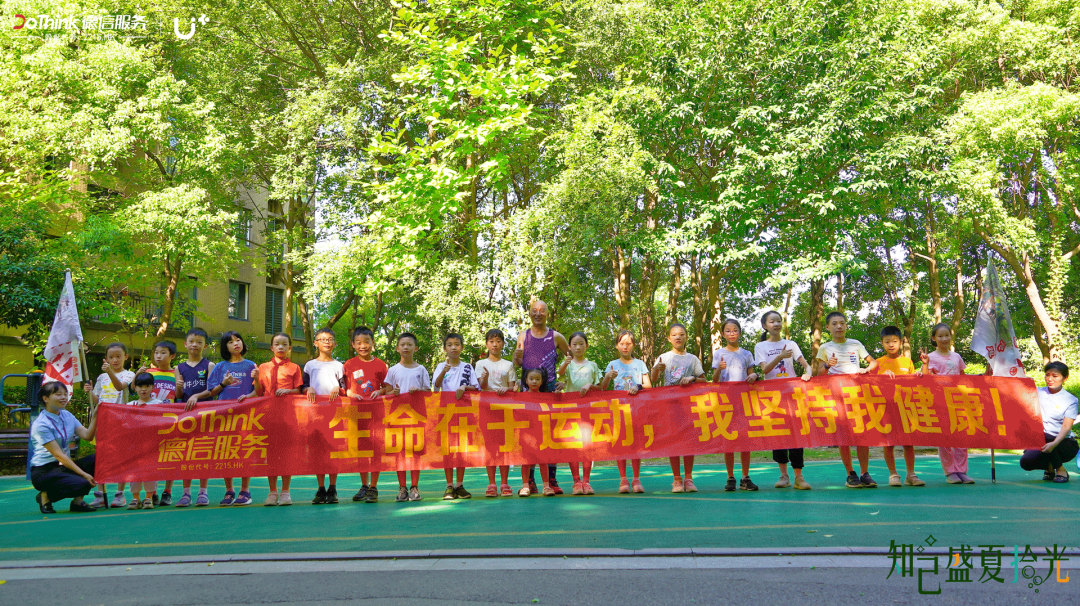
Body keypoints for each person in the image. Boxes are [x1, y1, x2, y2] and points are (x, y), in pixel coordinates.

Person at [815, 311, 879, 488]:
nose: (839, 327)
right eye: (834, 324)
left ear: (846, 325)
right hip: (836, 396)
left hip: (856, 394)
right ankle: (850, 473)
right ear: (827, 327)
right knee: (843, 436)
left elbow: (873, 362)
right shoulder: (825, 347)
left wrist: (866, 369)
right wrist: (827, 365)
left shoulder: (855, 344)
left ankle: (865, 473)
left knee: (862, 434)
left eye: (842, 323)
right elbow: (819, 374)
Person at [513, 299, 570, 494]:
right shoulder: (523, 335)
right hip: (528, 395)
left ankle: (551, 480)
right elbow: (517, 363)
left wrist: (565, 380)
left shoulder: (556, 336)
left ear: (547, 313)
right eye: (534, 310)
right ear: (530, 313)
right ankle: (529, 481)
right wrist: (516, 357)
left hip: (549, 394)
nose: (538, 313)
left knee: (550, 437)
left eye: (542, 310)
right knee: (528, 437)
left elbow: (572, 358)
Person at [754, 311, 813, 490]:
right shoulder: (760, 346)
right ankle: (783, 476)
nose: (776, 324)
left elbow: (806, 365)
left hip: (792, 394)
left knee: (796, 434)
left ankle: (799, 477)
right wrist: (779, 356)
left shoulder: (791, 344)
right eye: (772, 321)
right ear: (765, 326)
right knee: (779, 435)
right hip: (772, 396)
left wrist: (808, 373)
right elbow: (765, 370)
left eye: (779, 321)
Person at [651, 323, 706, 493]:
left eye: (682, 334)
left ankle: (689, 478)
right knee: (673, 440)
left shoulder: (692, 359)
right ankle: (676, 479)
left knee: (689, 441)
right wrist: (657, 369)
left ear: (686, 337)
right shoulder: (664, 357)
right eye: (674, 334)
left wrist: (692, 378)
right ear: (669, 338)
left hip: (688, 405)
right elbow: (653, 379)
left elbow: (703, 379)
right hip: (670, 405)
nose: (678, 337)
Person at [30, 382, 98, 514]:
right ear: (46, 398)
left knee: (97, 459)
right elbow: (59, 455)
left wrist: (95, 417)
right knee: (82, 483)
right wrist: (84, 475)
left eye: (65, 394)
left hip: (62, 467)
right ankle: (45, 496)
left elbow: (87, 436)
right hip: (44, 472)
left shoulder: (67, 415)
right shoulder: (41, 424)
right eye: (58, 394)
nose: (63, 397)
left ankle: (77, 502)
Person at [207, 331, 258, 505]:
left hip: (246, 415)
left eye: (238, 340)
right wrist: (224, 383)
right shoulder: (220, 367)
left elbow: (258, 391)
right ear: (225, 347)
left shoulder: (251, 365)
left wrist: (249, 394)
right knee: (226, 452)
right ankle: (229, 490)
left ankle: (245, 491)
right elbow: (212, 392)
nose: (236, 344)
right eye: (230, 342)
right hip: (225, 416)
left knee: (245, 451)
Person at [921, 323, 973, 484]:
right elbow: (925, 379)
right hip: (940, 402)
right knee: (945, 439)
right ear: (933, 338)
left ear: (951, 336)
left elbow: (963, 377)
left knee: (961, 437)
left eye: (947, 335)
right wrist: (925, 363)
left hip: (958, 401)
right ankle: (950, 472)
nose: (944, 339)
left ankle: (962, 471)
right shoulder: (930, 357)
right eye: (940, 336)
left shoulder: (957, 357)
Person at [255, 333, 304, 505]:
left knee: (286, 453)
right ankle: (272, 491)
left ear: (289, 348)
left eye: (284, 344)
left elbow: (299, 391)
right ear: (272, 348)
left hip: (288, 415)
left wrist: (288, 391)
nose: (280, 347)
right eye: (277, 344)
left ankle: (285, 491)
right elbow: (258, 392)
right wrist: (255, 379)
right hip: (268, 415)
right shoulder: (263, 367)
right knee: (271, 454)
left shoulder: (295, 367)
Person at [601, 330, 651, 493]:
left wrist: (638, 386)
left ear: (633, 345)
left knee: (635, 443)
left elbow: (648, 385)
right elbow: (603, 387)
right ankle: (623, 479)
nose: (625, 346)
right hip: (618, 409)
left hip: (636, 408)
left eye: (628, 343)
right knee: (620, 442)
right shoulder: (612, 364)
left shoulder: (640, 364)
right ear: (617, 345)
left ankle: (636, 479)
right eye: (622, 343)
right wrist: (608, 376)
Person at [712, 319, 759, 492]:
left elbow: (751, 375)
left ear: (740, 332)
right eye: (728, 330)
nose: (731, 333)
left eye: (735, 330)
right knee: (729, 439)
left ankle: (745, 477)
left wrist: (754, 376)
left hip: (744, 401)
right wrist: (719, 368)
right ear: (723, 334)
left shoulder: (746, 354)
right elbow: (714, 380)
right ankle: (730, 476)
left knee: (745, 440)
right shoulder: (719, 354)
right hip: (726, 401)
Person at [875, 326, 925, 487]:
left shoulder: (907, 361)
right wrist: (881, 377)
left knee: (908, 442)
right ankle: (893, 474)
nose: (891, 344)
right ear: (882, 343)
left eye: (895, 341)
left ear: (901, 342)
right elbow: (871, 385)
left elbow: (913, 383)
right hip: (887, 408)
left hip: (905, 407)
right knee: (889, 443)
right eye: (887, 341)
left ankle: (911, 474)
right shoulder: (877, 363)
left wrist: (917, 375)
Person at [384, 332, 430, 503]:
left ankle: (414, 487)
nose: (406, 347)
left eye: (409, 344)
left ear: (415, 348)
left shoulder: (421, 369)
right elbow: (387, 392)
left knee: (415, 451)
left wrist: (418, 391)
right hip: (397, 417)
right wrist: (393, 392)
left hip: (416, 416)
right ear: (397, 348)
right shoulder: (392, 370)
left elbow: (428, 391)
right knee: (400, 452)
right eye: (402, 344)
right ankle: (402, 488)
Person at [87, 342, 134, 508]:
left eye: (118, 356)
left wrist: (109, 372)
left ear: (125, 357)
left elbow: (119, 387)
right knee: (101, 458)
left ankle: (120, 494)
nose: (115, 360)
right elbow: (97, 399)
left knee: (121, 457)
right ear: (106, 358)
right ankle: (100, 494)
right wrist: (89, 391)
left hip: (121, 421)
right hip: (103, 421)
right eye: (111, 357)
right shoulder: (101, 377)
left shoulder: (129, 374)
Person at [344, 326, 388, 503]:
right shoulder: (348, 364)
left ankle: (374, 486)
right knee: (362, 448)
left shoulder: (380, 364)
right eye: (359, 342)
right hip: (357, 412)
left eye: (366, 342)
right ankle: (364, 485)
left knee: (376, 448)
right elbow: (345, 388)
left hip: (376, 412)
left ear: (373, 343)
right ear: (353, 344)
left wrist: (381, 391)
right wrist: (350, 394)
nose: (363, 346)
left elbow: (387, 387)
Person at [433, 332, 479, 500]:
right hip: (446, 411)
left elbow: (476, 388)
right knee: (447, 448)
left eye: (457, 344)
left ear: (462, 347)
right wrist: (443, 372)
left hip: (463, 412)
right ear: (445, 348)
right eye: (450, 345)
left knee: (461, 448)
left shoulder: (467, 367)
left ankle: (459, 485)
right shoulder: (441, 366)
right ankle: (449, 485)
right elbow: (435, 387)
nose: (453, 347)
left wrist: (464, 387)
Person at [305, 328, 347, 505]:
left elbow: (345, 389)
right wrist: (308, 388)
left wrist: (338, 388)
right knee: (318, 451)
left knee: (333, 451)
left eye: (330, 339)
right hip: (315, 414)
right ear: (316, 343)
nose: (327, 342)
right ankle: (321, 488)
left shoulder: (339, 366)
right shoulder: (310, 365)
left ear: (335, 343)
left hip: (335, 413)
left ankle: (332, 488)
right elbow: (303, 386)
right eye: (322, 339)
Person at [137, 340, 181, 506]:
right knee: (150, 458)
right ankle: (152, 492)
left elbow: (180, 396)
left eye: (163, 353)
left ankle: (167, 492)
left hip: (169, 422)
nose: (159, 356)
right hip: (149, 424)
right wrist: (137, 374)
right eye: (156, 352)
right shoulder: (149, 372)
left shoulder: (177, 373)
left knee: (170, 457)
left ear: (172, 356)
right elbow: (136, 389)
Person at [175, 328, 214, 507]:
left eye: (199, 342)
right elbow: (178, 395)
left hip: (205, 414)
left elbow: (212, 390)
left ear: (204, 346)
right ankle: (186, 493)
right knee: (186, 454)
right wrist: (179, 387)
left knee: (203, 452)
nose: (195, 345)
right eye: (191, 341)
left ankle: (203, 492)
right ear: (185, 344)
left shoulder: (209, 365)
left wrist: (197, 396)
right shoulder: (179, 368)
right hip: (186, 416)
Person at [1019, 362, 1077, 482]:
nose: (1050, 379)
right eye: (1047, 375)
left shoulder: (1071, 400)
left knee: (1047, 438)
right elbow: (1016, 390)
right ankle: (1050, 467)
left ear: (1065, 378)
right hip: (1041, 440)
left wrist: (1054, 443)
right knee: (1026, 462)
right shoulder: (1037, 392)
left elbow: (1066, 427)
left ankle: (1060, 469)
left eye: (1055, 376)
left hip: (1064, 444)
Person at [559, 331, 601, 495]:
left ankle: (586, 481)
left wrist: (590, 385)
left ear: (587, 346)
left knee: (587, 445)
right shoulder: (568, 364)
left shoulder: (593, 365)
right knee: (573, 445)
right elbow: (560, 374)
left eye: (581, 344)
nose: (578, 347)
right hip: (570, 409)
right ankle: (576, 481)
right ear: (569, 347)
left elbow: (600, 387)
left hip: (588, 409)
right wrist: (565, 363)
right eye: (574, 344)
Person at [476, 328, 516, 497]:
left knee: (504, 446)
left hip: (505, 409)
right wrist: (485, 378)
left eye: (498, 341)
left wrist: (506, 389)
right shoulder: (480, 364)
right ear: (486, 344)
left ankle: (504, 483)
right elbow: (481, 386)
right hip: (486, 409)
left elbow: (513, 388)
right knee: (490, 447)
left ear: (503, 344)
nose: (495, 344)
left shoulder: (508, 365)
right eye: (491, 341)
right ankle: (491, 483)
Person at [125, 372, 164, 509]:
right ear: (135, 388)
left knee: (150, 470)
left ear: (152, 387)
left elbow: (163, 423)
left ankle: (149, 497)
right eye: (140, 386)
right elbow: (125, 424)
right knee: (134, 471)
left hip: (152, 445)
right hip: (134, 445)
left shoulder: (159, 404)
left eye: (147, 386)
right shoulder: (129, 405)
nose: (143, 389)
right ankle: (135, 498)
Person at [518, 368, 555, 496]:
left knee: (543, 460)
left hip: (542, 433)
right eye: (531, 379)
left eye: (537, 379)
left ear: (542, 381)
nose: (534, 381)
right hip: (525, 434)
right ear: (526, 380)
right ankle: (525, 486)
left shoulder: (547, 397)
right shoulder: (519, 397)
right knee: (526, 461)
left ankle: (546, 486)